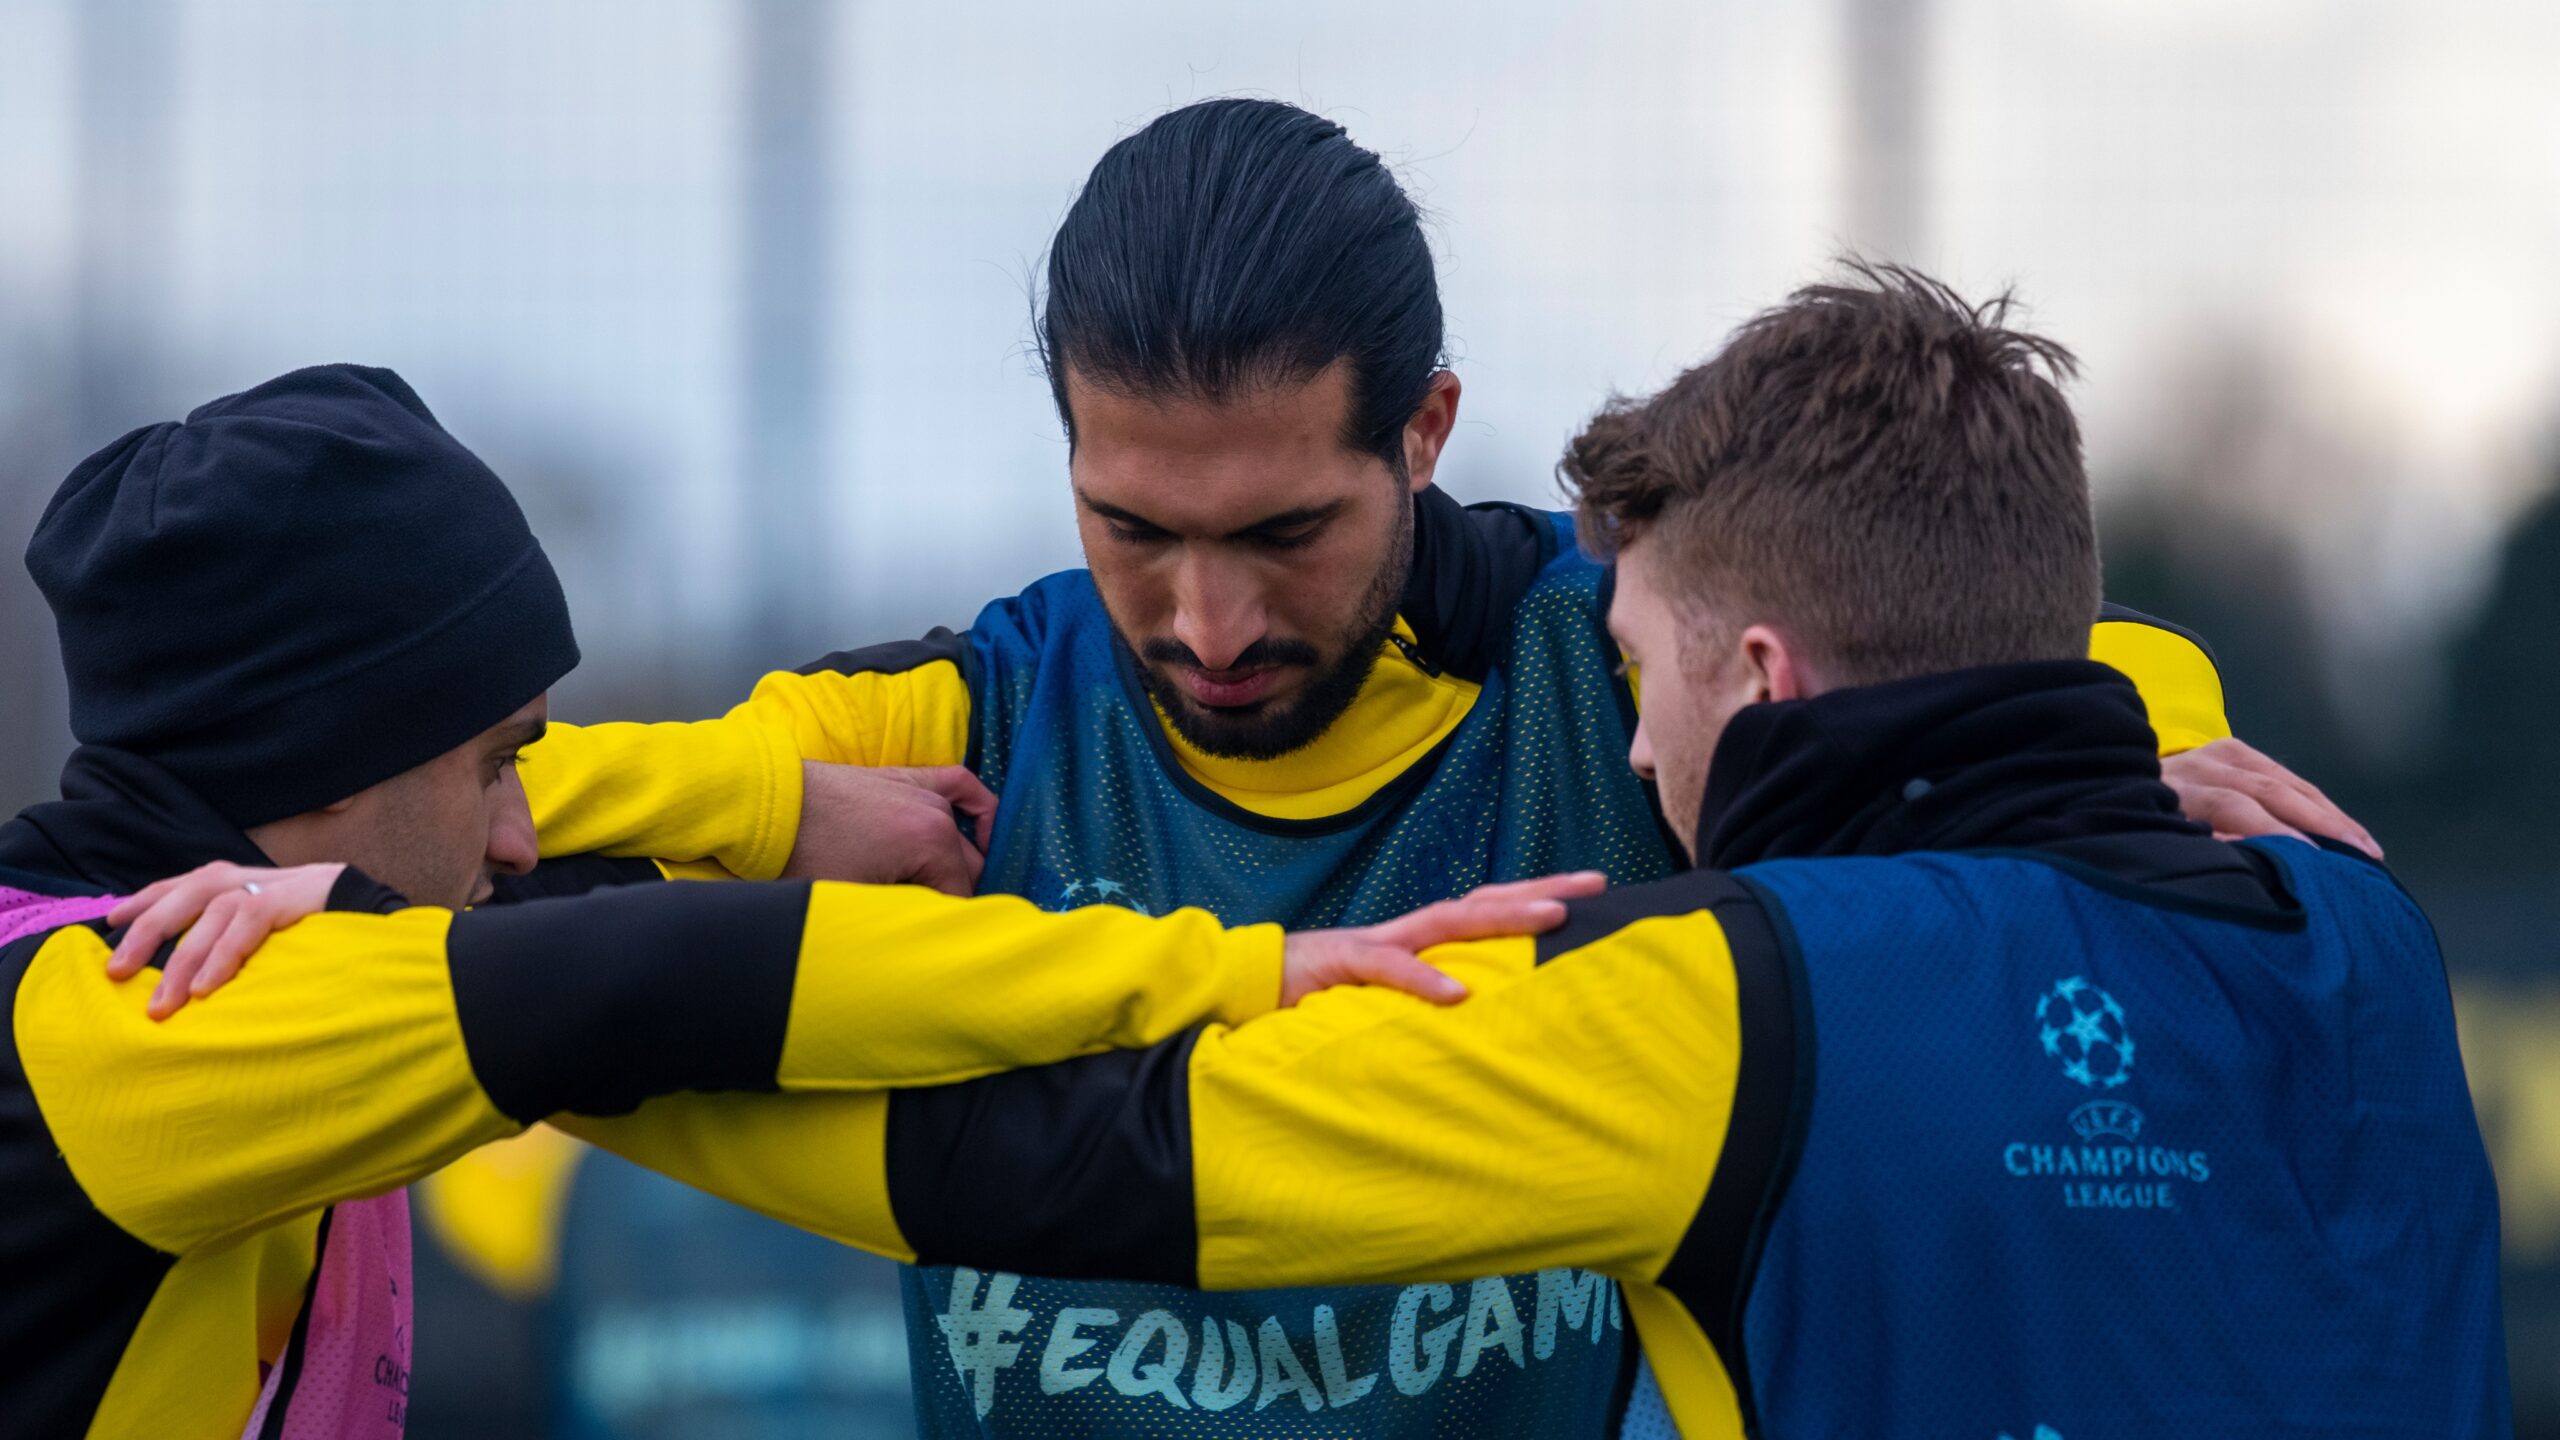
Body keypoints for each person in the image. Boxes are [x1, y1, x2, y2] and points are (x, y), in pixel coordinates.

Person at [505, 99, 2366, 1438]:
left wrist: (2131, 726)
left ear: (1428, 428)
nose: (1208, 620)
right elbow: (509, 821)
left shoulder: (1624, 678)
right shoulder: (956, 727)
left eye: (1286, 533)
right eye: (1131, 527)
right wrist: (746, 813)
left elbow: (1958, 618)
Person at [0, 364, 1576, 1440]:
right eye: (497, 765)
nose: (524, 833)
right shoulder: (163, 1014)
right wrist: (1230, 971)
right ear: (321, 767)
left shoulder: (219, 942)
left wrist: (768, 803)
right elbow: (671, 979)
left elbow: (653, 981)